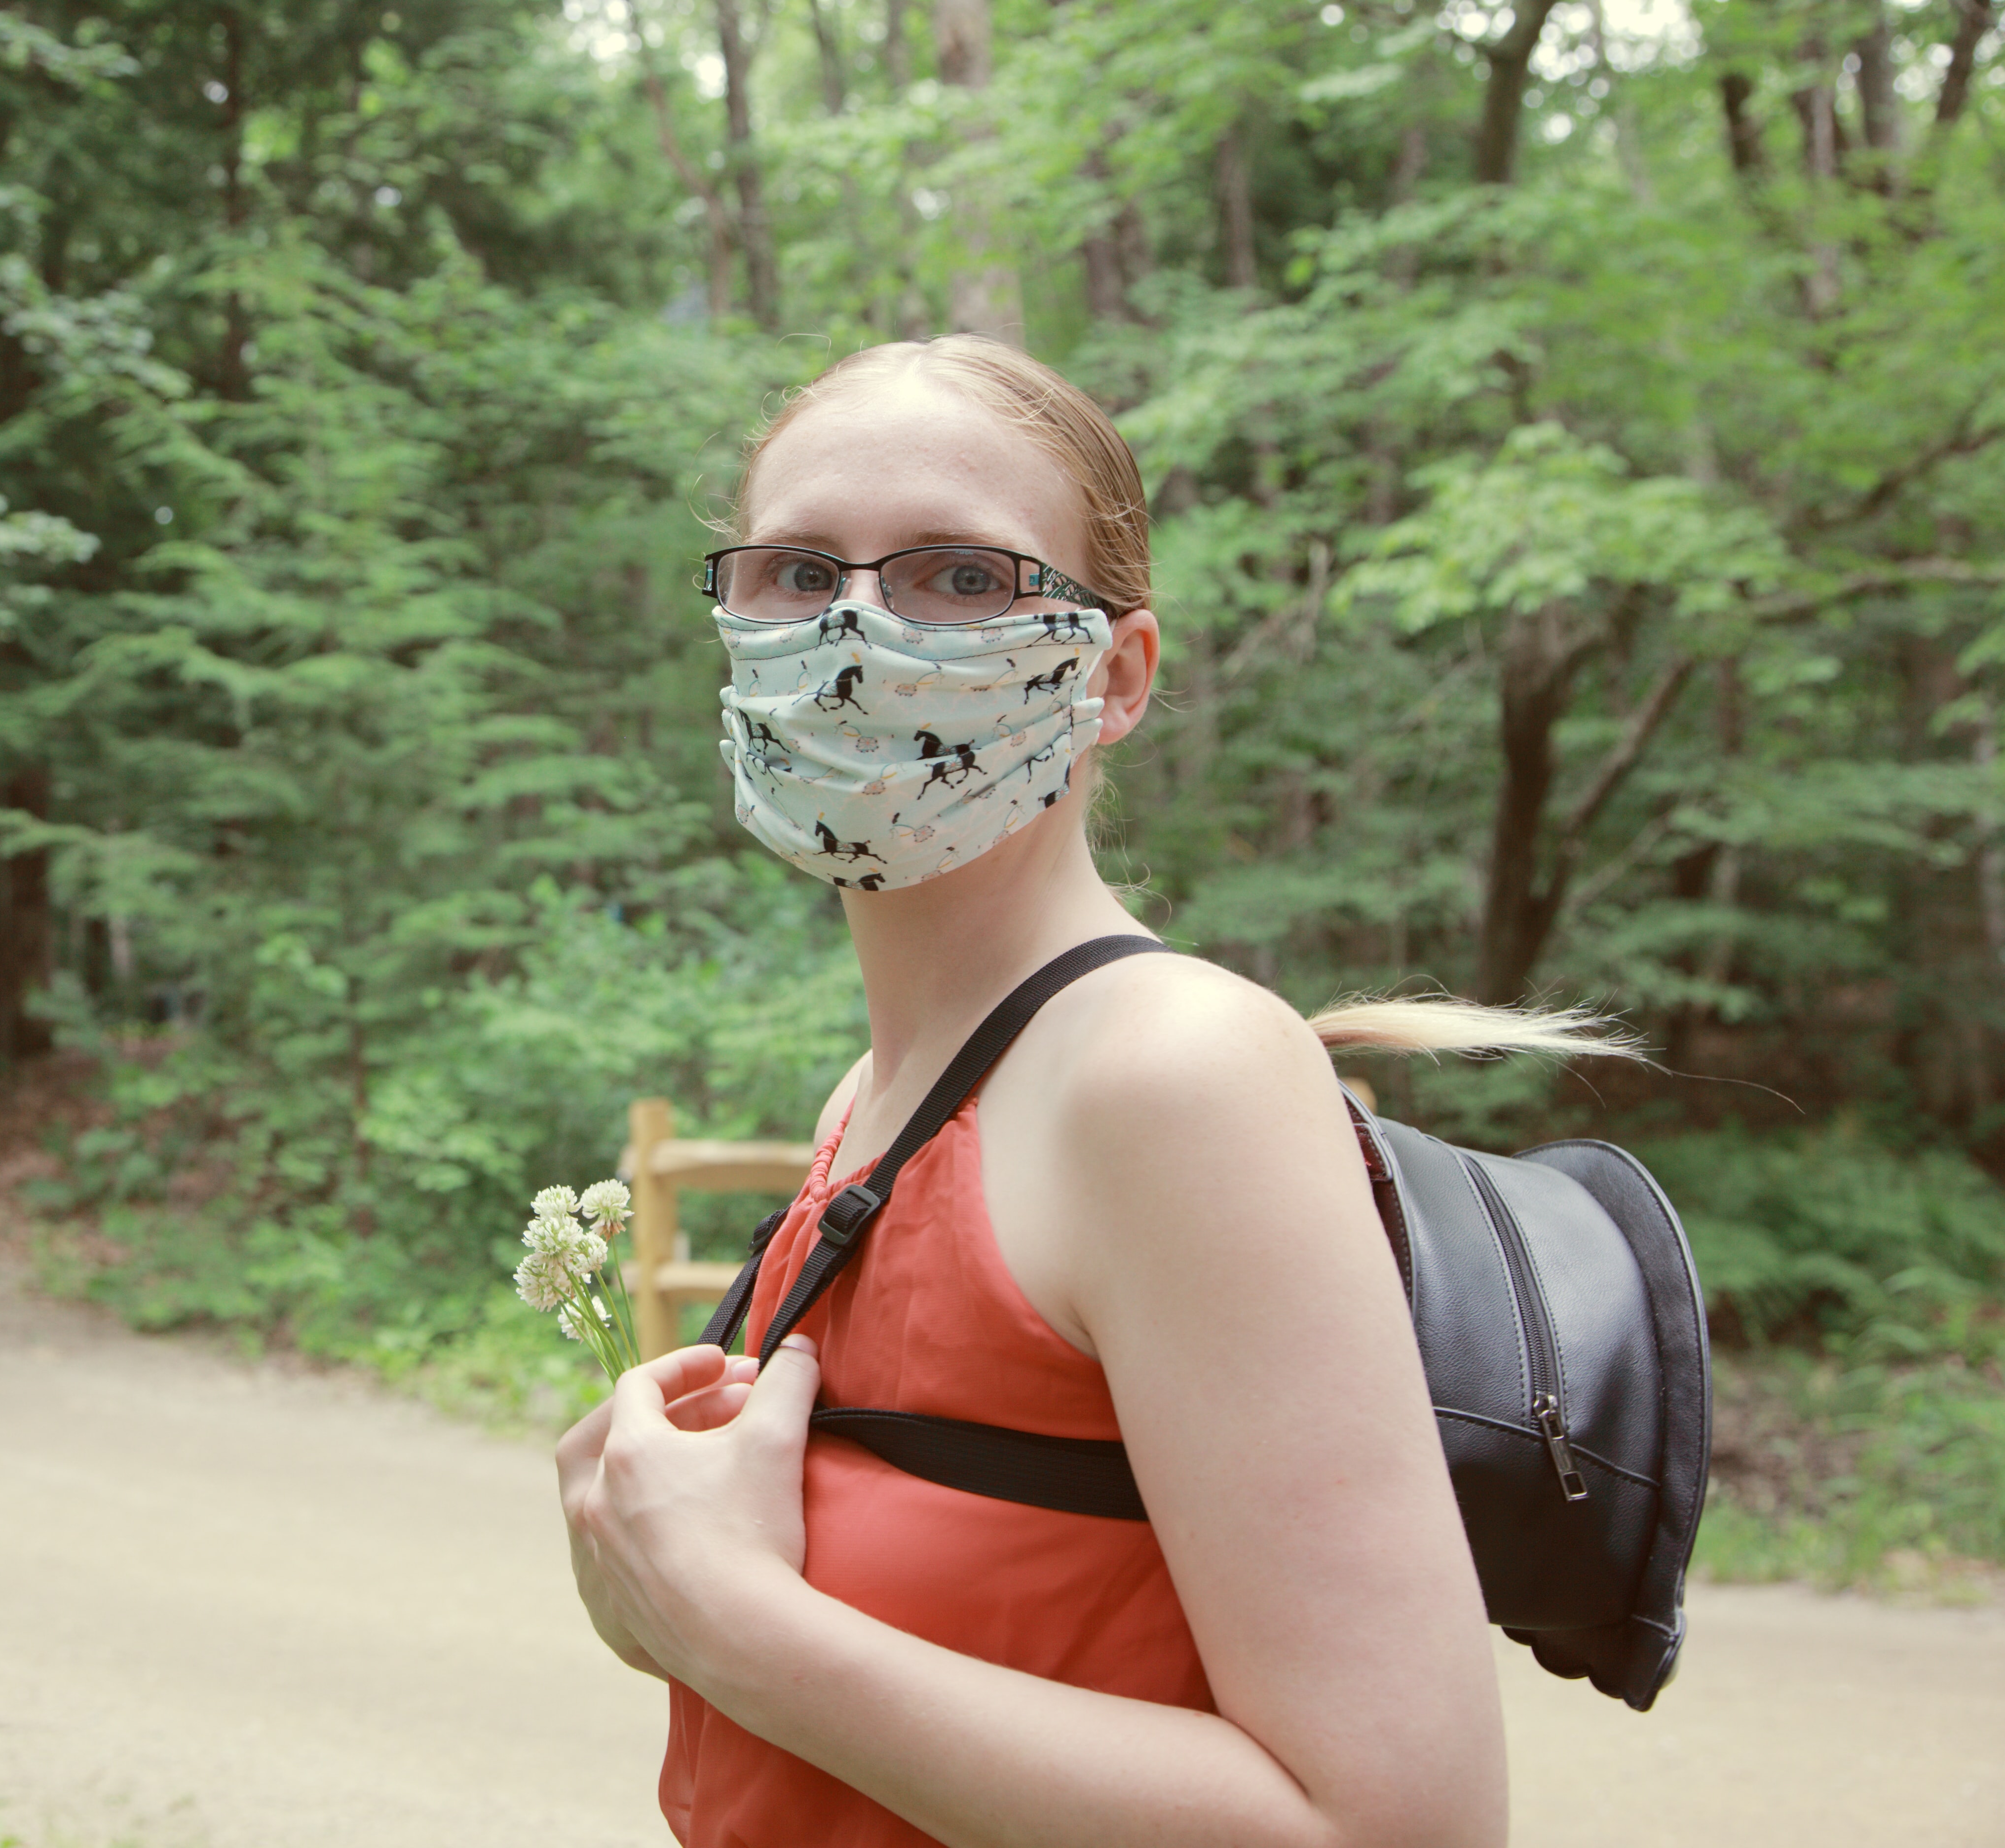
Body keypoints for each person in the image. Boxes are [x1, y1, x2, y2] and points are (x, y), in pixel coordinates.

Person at [555, 336, 1597, 1848]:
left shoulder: (1170, 1080)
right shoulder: (881, 1094)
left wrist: (727, 1622)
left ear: (1113, 676)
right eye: (795, 571)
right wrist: (644, 1576)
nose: (853, 628)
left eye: (958, 579)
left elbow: (1396, 1830)